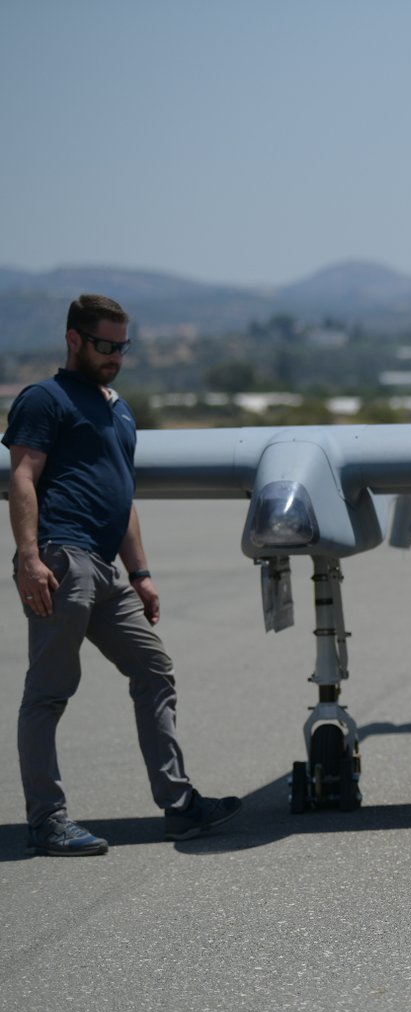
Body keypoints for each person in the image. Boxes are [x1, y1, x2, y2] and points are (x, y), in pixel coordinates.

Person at [5, 294, 242, 856]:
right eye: (105, 345)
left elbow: (123, 495)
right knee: (49, 692)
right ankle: (47, 822)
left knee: (154, 670)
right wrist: (29, 557)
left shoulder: (119, 408)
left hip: (107, 569)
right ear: (74, 340)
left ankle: (180, 806)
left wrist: (141, 572)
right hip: (62, 560)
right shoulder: (45, 399)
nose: (115, 356)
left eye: (122, 346)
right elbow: (22, 477)